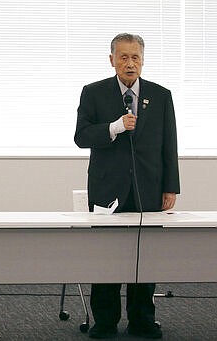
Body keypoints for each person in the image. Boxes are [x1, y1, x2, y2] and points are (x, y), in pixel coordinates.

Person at [74, 33, 180, 339]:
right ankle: (105, 321)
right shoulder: (94, 93)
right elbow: (81, 137)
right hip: (108, 190)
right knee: (107, 258)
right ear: (111, 60)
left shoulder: (161, 95)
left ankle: (142, 320)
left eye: (135, 57)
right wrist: (114, 127)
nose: (130, 63)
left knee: (144, 258)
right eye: (123, 57)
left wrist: (170, 187)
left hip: (148, 189)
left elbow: (168, 145)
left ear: (143, 60)